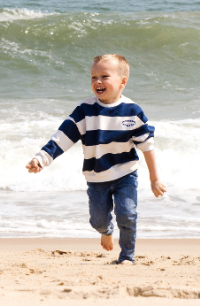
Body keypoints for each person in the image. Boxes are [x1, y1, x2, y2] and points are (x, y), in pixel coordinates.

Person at [26, 54, 166, 264]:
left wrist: (154, 179)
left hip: (125, 174)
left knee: (127, 215)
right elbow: (62, 138)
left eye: (104, 76)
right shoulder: (85, 111)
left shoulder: (132, 112)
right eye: (93, 77)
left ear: (122, 82)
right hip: (96, 177)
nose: (97, 81)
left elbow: (147, 147)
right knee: (98, 221)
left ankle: (127, 257)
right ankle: (106, 230)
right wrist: (42, 158)